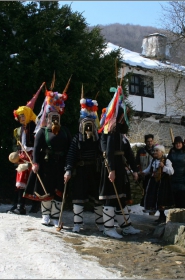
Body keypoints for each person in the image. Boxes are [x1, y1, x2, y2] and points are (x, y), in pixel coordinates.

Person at [23, 79, 72, 227]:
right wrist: (36, 163)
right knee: (46, 191)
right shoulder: (42, 132)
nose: (54, 119)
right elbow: (37, 149)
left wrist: (69, 167)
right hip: (45, 164)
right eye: (52, 116)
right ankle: (45, 215)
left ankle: (56, 216)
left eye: (57, 116)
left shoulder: (65, 131)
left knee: (58, 191)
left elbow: (69, 148)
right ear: (48, 117)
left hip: (60, 165)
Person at [98, 85, 140, 239]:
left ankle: (126, 226)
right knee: (110, 197)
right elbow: (108, 152)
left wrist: (134, 170)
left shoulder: (122, 135)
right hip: (112, 168)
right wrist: (111, 170)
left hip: (120, 169)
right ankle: (108, 228)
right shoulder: (110, 132)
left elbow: (129, 153)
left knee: (121, 198)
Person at [64, 96, 103, 233]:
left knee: (98, 198)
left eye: (90, 124)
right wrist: (68, 170)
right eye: (86, 124)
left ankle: (101, 223)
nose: (88, 127)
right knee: (78, 197)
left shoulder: (98, 140)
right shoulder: (76, 138)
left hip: (95, 171)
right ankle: (77, 224)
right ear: (81, 125)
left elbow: (103, 153)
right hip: (80, 171)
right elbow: (71, 155)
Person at [7, 84, 43, 215]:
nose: (21, 118)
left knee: (32, 181)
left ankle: (33, 206)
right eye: (20, 116)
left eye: (23, 116)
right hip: (22, 156)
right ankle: (18, 205)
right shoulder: (19, 129)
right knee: (20, 182)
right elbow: (17, 143)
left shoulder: (35, 126)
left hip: (32, 156)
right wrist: (16, 153)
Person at [142, 144, 174, 223]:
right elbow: (148, 170)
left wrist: (164, 167)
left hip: (163, 183)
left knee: (161, 199)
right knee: (154, 199)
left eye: (157, 151)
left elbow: (171, 172)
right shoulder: (153, 160)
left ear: (161, 152)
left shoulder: (167, 161)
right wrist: (141, 173)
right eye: (154, 151)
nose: (155, 152)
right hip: (154, 182)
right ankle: (161, 216)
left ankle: (163, 216)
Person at [167, 136, 185, 209]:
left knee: (181, 199)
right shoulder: (172, 152)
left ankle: (182, 215)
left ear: (182, 144)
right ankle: (176, 216)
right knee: (174, 199)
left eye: (179, 143)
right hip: (173, 178)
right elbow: (168, 163)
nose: (178, 145)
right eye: (176, 143)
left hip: (183, 179)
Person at [135, 134, 155, 206]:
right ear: (145, 142)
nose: (150, 143)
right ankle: (146, 206)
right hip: (144, 174)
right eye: (148, 141)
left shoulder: (156, 151)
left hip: (153, 175)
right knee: (145, 191)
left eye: (151, 141)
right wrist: (138, 172)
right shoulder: (141, 151)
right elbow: (137, 162)